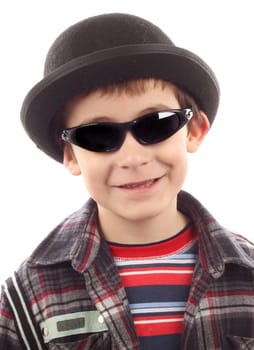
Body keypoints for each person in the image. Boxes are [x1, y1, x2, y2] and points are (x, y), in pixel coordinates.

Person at [0, 13, 253, 350]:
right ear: (71, 155)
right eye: (98, 135)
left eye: (156, 124)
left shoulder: (248, 277)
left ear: (194, 131)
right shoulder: (26, 296)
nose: (133, 158)